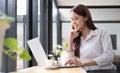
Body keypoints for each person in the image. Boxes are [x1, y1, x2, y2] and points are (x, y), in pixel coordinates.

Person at [60, 4, 117, 73]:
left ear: (86, 18)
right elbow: (66, 63)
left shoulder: (101, 33)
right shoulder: (77, 39)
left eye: (76, 18)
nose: (73, 22)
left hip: (104, 70)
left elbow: (109, 56)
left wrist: (83, 64)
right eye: (72, 19)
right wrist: (70, 40)